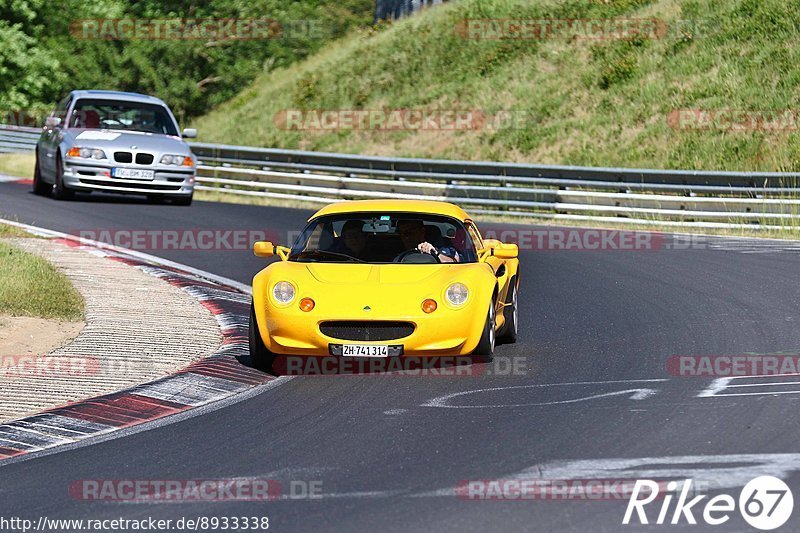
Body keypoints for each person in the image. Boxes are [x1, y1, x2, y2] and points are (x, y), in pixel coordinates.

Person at [396, 219, 460, 263]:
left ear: (422, 232)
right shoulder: (396, 254)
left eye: (409, 233)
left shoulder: (447, 250)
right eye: (401, 233)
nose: (405, 237)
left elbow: (458, 266)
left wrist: (436, 254)